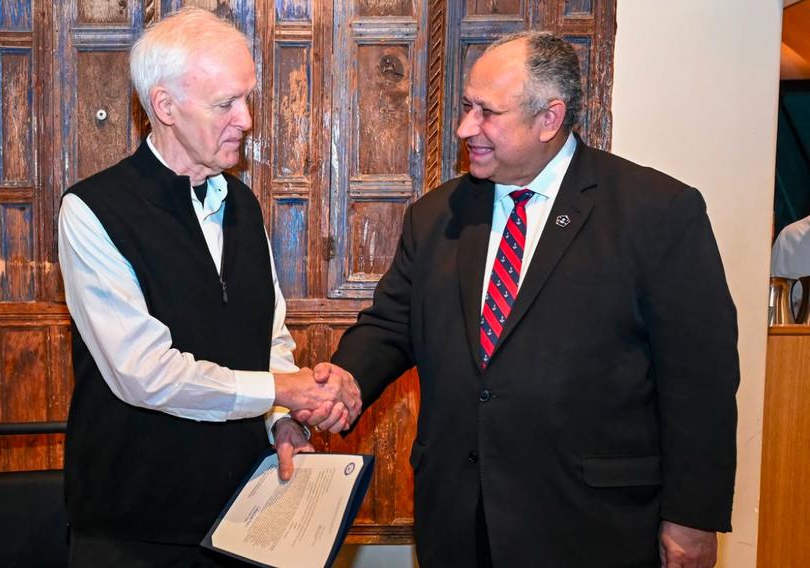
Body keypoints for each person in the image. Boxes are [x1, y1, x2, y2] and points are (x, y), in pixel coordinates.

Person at [300, 31, 739, 567]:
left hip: (592, 524)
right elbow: (391, 325)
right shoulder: (437, 216)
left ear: (549, 119)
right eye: (466, 107)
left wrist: (692, 517)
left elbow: (701, 380)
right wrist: (346, 380)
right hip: (460, 519)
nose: (466, 128)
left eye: (487, 113)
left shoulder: (657, 212)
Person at [57, 8, 360, 567]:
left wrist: (282, 422)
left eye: (247, 98)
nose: (245, 119)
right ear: (165, 107)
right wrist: (283, 392)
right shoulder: (93, 210)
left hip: (243, 517)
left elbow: (267, 338)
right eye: (225, 104)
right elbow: (144, 375)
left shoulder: (242, 204)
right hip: (135, 531)